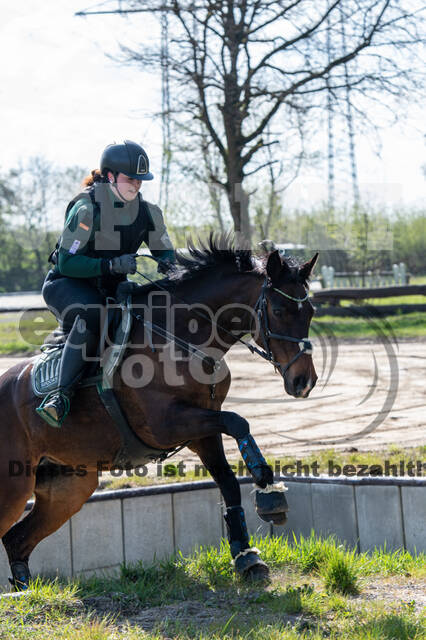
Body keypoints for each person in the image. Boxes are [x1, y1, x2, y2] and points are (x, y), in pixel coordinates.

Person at [36, 140, 175, 428]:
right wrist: (110, 265)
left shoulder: (149, 212)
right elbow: (67, 263)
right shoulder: (87, 209)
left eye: (140, 179)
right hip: (67, 285)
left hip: (109, 288)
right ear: (110, 176)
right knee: (94, 313)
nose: (136, 184)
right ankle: (59, 397)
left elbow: (167, 254)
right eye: (130, 178)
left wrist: (175, 268)